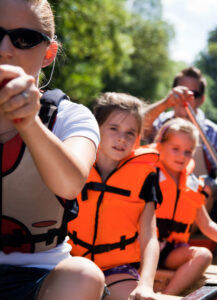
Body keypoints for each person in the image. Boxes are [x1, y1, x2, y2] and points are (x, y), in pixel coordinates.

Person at [0, 0, 105, 299]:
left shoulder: (73, 118)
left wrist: (28, 122)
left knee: (85, 274)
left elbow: (70, 184)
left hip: (41, 278)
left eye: (24, 39)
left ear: (48, 53)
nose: (3, 49)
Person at [67, 92, 161, 300]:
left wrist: (146, 285)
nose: (121, 138)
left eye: (130, 133)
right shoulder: (75, 163)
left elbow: (149, 237)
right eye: (113, 128)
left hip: (117, 269)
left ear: (138, 138)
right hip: (72, 261)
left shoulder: (145, 177)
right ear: (96, 128)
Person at [152, 118, 217, 295]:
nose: (182, 156)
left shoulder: (191, 184)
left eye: (188, 152)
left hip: (170, 252)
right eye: (175, 149)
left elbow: (206, 224)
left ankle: (168, 296)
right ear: (160, 146)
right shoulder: (148, 177)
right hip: (142, 247)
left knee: (204, 255)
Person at [142, 66, 217, 220]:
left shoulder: (215, 134)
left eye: (193, 94)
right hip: (158, 203)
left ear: (202, 99)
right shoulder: (158, 121)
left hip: (196, 211)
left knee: (207, 185)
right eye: (180, 91)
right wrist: (164, 103)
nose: (185, 98)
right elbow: (135, 125)